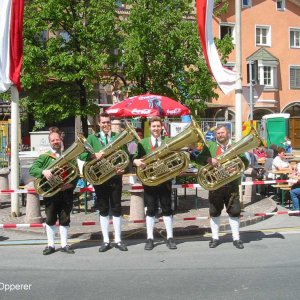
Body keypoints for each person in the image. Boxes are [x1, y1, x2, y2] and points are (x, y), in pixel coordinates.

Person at [79, 112, 127, 252]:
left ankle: (118, 240)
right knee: (104, 209)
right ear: (99, 124)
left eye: (108, 122)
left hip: (115, 178)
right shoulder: (92, 138)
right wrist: (94, 155)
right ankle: (106, 241)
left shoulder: (117, 137)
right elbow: (82, 154)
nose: (106, 125)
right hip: (100, 178)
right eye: (103, 123)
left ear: (110, 123)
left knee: (117, 209)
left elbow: (125, 155)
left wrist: (122, 168)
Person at [195, 125, 249, 249]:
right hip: (216, 185)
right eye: (218, 133)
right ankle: (215, 238)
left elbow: (245, 162)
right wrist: (209, 159)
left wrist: (235, 167)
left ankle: (236, 238)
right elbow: (199, 159)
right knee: (214, 212)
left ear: (228, 133)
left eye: (222, 133)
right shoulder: (210, 146)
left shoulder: (236, 145)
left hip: (232, 184)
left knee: (235, 212)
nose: (220, 135)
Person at [29, 129, 76, 255]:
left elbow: (76, 172)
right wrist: (43, 171)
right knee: (50, 218)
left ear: (61, 140)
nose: (55, 142)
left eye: (57, 139)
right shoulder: (45, 157)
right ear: (50, 142)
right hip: (51, 193)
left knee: (65, 218)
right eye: (53, 140)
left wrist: (71, 184)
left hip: (66, 192)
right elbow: (33, 169)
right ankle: (51, 245)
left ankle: (65, 244)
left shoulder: (69, 156)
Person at [133, 116, 177, 250]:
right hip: (150, 181)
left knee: (167, 209)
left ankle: (170, 237)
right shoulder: (143, 143)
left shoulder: (168, 141)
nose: (156, 128)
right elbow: (135, 158)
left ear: (162, 127)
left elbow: (174, 159)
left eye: (158, 126)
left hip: (164, 181)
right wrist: (136, 162)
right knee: (150, 210)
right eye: (154, 126)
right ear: (150, 128)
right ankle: (150, 238)